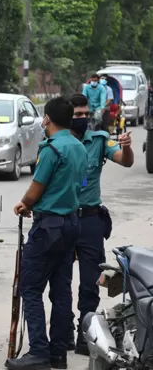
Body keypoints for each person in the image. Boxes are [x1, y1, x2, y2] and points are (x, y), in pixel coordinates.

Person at [5, 97, 87, 370]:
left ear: (47, 119)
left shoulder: (52, 149)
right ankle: (58, 353)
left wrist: (24, 203)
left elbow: (38, 186)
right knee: (61, 290)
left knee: (30, 287)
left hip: (49, 225)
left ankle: (39, 351)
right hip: (72, 223)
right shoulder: (78, 146)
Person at [67, 94, 134, 355]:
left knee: (90, 283)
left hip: (91, 220)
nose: (82, 119)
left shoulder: (98, 140)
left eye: (85, 114)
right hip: (63, 218)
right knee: (60, 282)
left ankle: (86, 334)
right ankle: (61, 337)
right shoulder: (55, 142)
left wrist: (127, 146)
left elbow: (125, 160)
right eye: (77, 115)